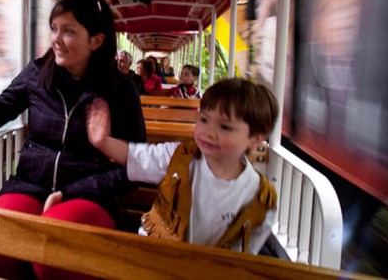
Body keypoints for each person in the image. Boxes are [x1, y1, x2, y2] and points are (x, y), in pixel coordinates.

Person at [0, 0, 146, 280]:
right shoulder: (37, 74)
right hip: (30, 184)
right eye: (54, 29)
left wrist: (75, 189)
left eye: (68, 31)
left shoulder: (120, 90)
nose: (56, 39)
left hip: (91, 193)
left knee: (53, 251)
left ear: (96, 40)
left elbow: (136, 165)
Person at [86, 78, 279, 254]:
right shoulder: (179, 157)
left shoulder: (260, 199)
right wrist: (103, 142)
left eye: (225, 126)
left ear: (254, 139)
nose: (208, 132)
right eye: (203, 120)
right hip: (154, 256)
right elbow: (136, 155)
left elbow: (245, 257)